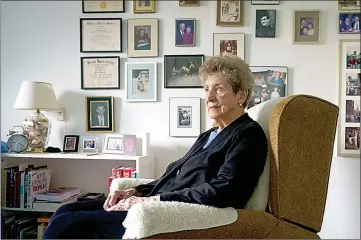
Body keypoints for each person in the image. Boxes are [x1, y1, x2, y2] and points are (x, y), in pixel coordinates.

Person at [42, 55, 268, 239]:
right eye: (206, 88)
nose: (208, 97)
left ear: (241, 95)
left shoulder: (248, 134)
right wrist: (135, 191)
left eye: (218, 89)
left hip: (163, 214)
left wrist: (149, 201)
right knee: (65, 210)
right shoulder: (210, 134)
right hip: (152, 203)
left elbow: (226, 192)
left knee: (67, 224)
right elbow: (175, 178)